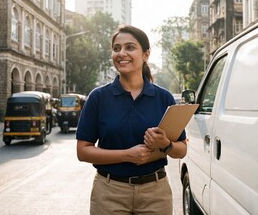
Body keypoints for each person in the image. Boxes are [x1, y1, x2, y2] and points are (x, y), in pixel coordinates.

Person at [76, 25, 187, 215]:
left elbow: (181, 150)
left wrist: (165, 143)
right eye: (116, 48)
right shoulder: (98, 97)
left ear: (146, 54)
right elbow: (83, 151)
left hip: (156, 193)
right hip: (109, 193)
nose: (122, 53)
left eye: (130, 47)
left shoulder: (164, 98)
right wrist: (127, 155)